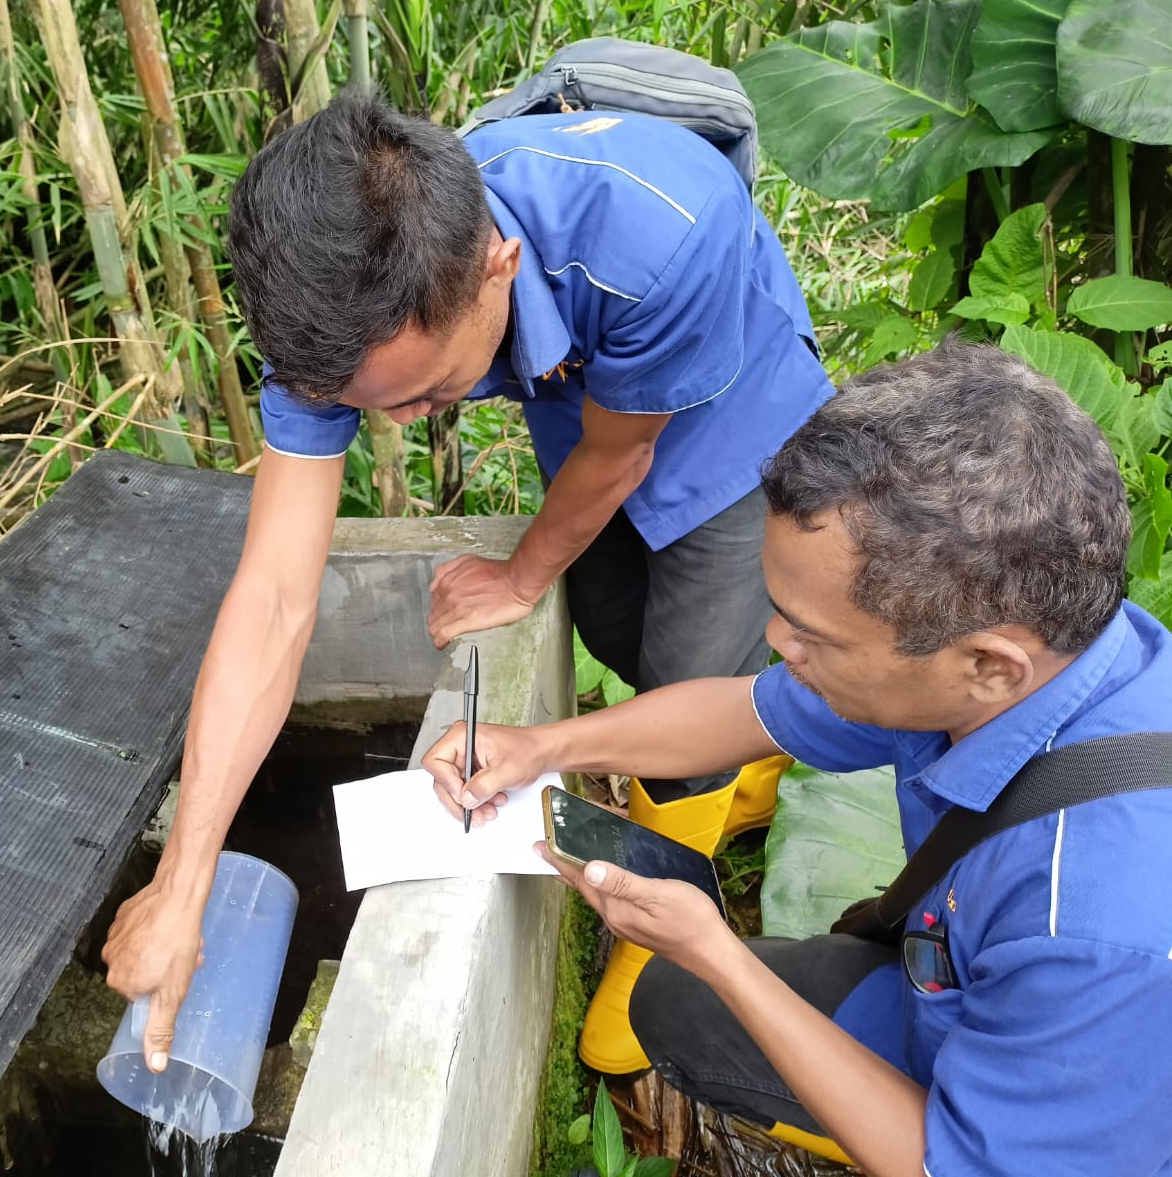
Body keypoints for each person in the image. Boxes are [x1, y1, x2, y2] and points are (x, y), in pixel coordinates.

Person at [101, 91, 832, 1075]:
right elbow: (274, 597)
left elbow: (621, 460)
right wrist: (182, 880)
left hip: (731, 405)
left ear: (498, 265)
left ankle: (668, 925)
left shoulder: (653, 229)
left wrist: (522, 572)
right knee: (616, 625)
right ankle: (731, 783)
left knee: (695, 652)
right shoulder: (336, 319)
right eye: (368, 406)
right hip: (592, 397)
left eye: (429, 394)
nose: (397, 423)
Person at [425, 342, 1172, 1174]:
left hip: (1053, 1112)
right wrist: (540, 746)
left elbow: (953, 1164)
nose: (777, 646)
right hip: (952, 983)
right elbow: (747, 711)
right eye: (778, 612)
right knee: (677, 1002)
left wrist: (714, 950)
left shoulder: (1108, 929)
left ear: (991, 665)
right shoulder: (1024, 663)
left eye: (811, 636)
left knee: (709, 983)